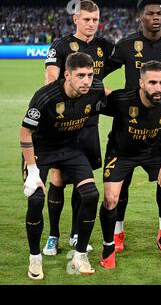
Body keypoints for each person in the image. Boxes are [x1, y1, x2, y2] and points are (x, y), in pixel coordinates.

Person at [104, 0, 161, 252]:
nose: (156, 18)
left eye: (159, 14)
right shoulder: (127, 44)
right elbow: (101, 73)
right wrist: (113, 97)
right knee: (122, 184)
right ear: (140, 16)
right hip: (127, 125)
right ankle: (117, 233)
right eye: (150, 14)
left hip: (159, 125)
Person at [21, 52, 106, 280]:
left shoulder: (95, 89)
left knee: (91, 194)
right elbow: (25, 131)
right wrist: (32, 171)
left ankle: (79, 255)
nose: (87, 81)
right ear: (67, 75)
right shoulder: (45, 96)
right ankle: (35, 258)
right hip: (41, 150)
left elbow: (113, 101)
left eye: (90, 75)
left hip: (71, 148)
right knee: (36, 198)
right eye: (81, 76)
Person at [41, 0, 114, 255]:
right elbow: (51, 77)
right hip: (63, 123)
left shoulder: (105, 47)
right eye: (86, 19)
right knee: (59, 179)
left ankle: (74, 234)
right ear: (76, 20)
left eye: (95, 20)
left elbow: (127, 60)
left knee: (82, 180)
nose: (92, 24)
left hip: (88, 123)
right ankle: (53, 235)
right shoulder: (61, 45)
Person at [99, 61, 161, 267]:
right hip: (120, 153)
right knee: (111, 198)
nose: (158, 88)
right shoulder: (120, 100)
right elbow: (90, 108)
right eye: (152, 83)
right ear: (141, 82)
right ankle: (108, 245)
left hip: (153, 153)